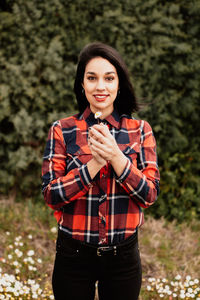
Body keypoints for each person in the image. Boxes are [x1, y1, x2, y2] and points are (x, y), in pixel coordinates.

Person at [42, 42, 160, 300]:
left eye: (109, 78)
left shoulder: (140, 130)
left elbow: (150, 194)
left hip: (124, 258)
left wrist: (116, 157)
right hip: (73, 256)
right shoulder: (62, 130)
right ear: (82, 84)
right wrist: (94, 164)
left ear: (119, 84)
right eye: (92, 78)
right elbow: (51, 195)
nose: (100, 86)